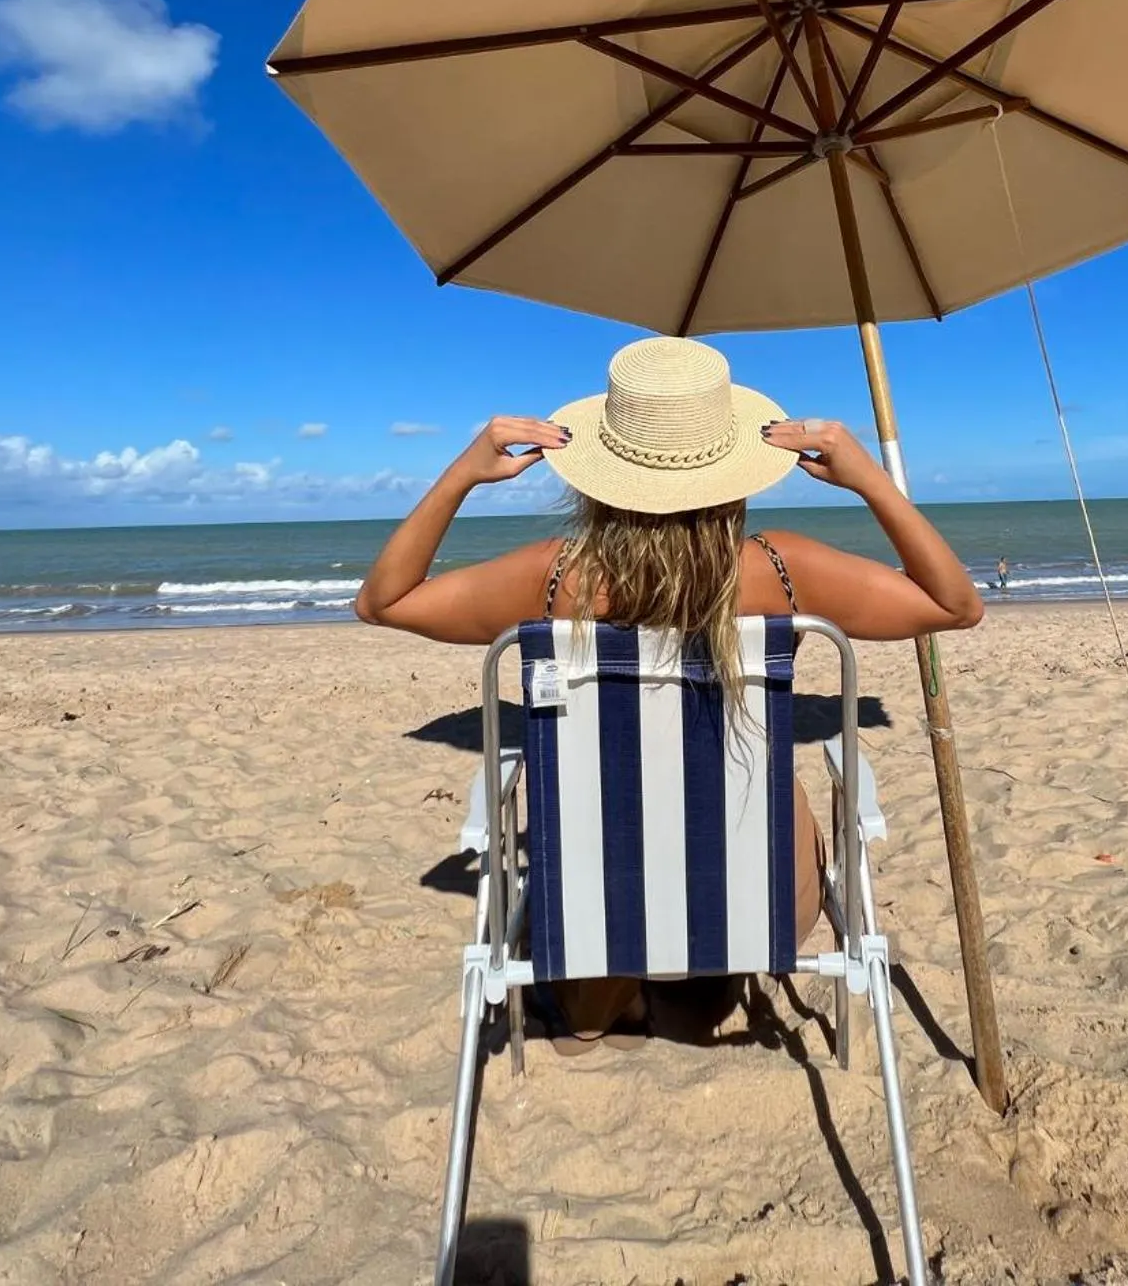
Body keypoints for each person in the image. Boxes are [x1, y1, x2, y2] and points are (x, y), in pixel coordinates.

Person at [354, 336, 984, 1044]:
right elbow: (956, 605)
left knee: (605, 813)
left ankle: (599, 1000)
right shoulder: (783, 573)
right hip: (763, 900)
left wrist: (462, 475)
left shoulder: (557, 580)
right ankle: (701, 967)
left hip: (600, 901)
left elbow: (384, 601)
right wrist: (868, 478)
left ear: (602, 471)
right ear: (734, 469)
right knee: (782, 791)